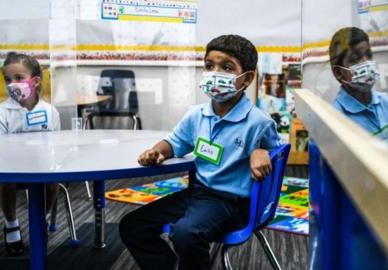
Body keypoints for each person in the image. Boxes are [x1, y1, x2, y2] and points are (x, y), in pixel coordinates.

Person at [119, 35, 280, 270]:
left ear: (246, 79)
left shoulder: (259, 122)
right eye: (209, 66)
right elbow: (174, 143)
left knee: (186, 234)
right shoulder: (196, 115)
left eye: (226, 67)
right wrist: (156, 151)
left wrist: (263, 151)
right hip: (198, 194)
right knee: (132, 226)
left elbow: (276, 153)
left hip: (232, 203)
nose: (214, 73)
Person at [0, 52, 60, 256]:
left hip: (41, 163)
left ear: (35, 81)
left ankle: (41, 219)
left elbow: (56, 144)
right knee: (6, 180)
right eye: (8, 79)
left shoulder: (49, 111)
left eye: (19, 78)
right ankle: (11, 224)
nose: (12, 84)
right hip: (12, 165)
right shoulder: (2, 113)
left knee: (53, 181)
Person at [329, 26, 388, 143]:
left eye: (369, 55)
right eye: (355, 58)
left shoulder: (382, 101)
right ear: (339, 73)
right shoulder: (336, 118)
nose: (366, 62)